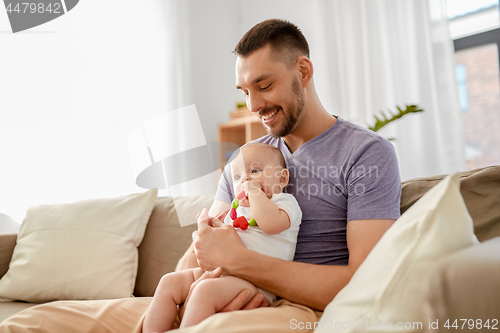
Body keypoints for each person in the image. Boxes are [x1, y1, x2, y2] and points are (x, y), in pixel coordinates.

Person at [175, 18, 401, 330]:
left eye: (264, 86)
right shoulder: (246, 161)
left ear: (303, 71)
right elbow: (196, 257)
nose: (253, 105)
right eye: (245, 91)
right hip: (218, 300)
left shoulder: (365, 153)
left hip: (303, 311)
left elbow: (366, 283)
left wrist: (242, 264)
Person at [142, 143, 302, 333]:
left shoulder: (284, 203)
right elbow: (216, 244)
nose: (245, 179)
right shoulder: (236, 210)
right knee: (169, 281)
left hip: (256, 284)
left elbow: (269, 224)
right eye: (237, 177)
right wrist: (208, 226)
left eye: (255, 170)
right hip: (221, 273)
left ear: (282, 178)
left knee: (204, 291)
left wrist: (254, 192)